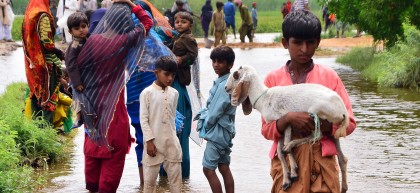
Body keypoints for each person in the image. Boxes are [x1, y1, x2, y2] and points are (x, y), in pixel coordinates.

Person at [261, 10, 356, 193]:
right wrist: (287, 119)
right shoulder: (272, 81)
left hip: (322, 163)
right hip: (287, 166)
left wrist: (320, 126)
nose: (304, 49)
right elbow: (266, 129)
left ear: (317, 43)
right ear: (284, 43)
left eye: (310, 42)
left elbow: (349, 123)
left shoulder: (329, 77)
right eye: (297, 42)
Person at [74, 0, 153, 192]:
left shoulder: (91, 42)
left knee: (92, 173)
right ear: (126, 25)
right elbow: (147, 23)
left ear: (107, 22)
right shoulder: (125, 41)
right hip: (114, 115)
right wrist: (130, 4)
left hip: (93, 111)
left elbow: (75, 65)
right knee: (109, 176)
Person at [196, 45, 236, 193]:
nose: (216, 65)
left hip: (218, 133)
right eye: (214, 61)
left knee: (208, 169)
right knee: (224, 167)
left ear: (230, 65)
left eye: (221, 62)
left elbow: (214, 113)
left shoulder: (224, 85)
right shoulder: (228, 82)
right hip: (226, 131)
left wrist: (206, 127)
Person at [140, 56, 182, 193]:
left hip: (171, 143)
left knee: (176, 183)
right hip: (153, 144)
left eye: (173, 75)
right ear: (156, 72)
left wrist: (174, 139)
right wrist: (149, 142)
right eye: (166, 74)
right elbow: (144, 120)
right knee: (149, 184)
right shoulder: (147, 93)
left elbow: (172, 118)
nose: (170, 78)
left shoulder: (175, 93)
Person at [22, 0, 66, 125]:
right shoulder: (43, 14)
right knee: (48, 100)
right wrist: (60, 53)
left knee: (36, 97)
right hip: (46, 64)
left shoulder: (31, 11)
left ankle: (36, 132)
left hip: (33, 63)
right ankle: (46, 133)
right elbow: (47, 44)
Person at [171, 11, 198, 179]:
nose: (179, 24)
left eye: (183, 22)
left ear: (190, 24)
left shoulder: (189, 39)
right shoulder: (177, 37)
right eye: (177, 21)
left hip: (180, 79)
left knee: (179, 128)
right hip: (175, 78)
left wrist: (182, 60)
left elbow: (193, 57)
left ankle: (182, 175)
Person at [64, 12, 89, 128]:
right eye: (76, 28)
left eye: (83, 26)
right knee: (77, 96)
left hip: (87, 76)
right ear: (70, 31)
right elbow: (71, 64)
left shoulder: (88, 40)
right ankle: (79, 118)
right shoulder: (74, 46)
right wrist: (77, 82)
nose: (81, 30)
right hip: (77, 79)